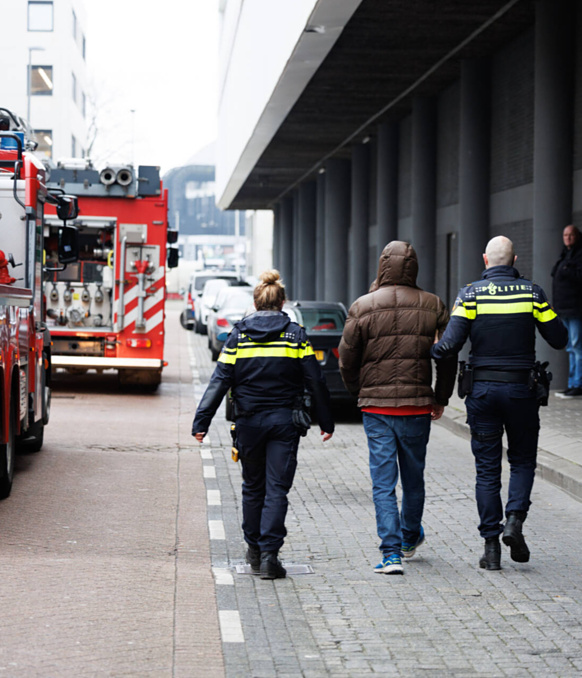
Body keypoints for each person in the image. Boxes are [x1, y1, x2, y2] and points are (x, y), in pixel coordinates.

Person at [432, 236, 567, 570]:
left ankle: (491, 549)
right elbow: (560, 338)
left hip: (482, 393)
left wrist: (428, 349)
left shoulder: (470, 294)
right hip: (522, 391)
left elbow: (449, 346)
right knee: (522, 461)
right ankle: (515, 522)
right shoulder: (532, 293)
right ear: (514, 259)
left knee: (487, 471)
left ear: (486, 259)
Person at [192, 270, 334, 580]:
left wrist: (201, 422)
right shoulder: (295, 335)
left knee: (252, 487)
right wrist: (326, 421)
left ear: (256, 303)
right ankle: (270, 555)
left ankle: (254, 550)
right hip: (284, 423)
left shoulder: (238, 335)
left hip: (248, 424)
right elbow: (315, 380)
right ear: (282, 303)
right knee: (276, 489)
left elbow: (220, 380)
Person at [338, 241, 457, 575]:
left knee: (383, 482)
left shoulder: (362, 306)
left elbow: (346, 359)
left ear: (382, 266)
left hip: (377, 408)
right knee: (414, 478)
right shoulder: (433, 305)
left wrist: (359, 392)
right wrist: (441, 397)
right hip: (417, 406)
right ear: (414, 267)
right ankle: (408, 539)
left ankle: (390, 554)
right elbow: (448, 357)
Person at [551, 224, 582, 398]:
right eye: (565, 235)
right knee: (571, 347)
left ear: (577, 236)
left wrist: (566, 271)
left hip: (576, 308)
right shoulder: (565, 254)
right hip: (565, 309)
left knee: (577, 346)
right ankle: (572, 384)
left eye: (571, 235)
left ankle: (579, 385)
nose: (567, 238)